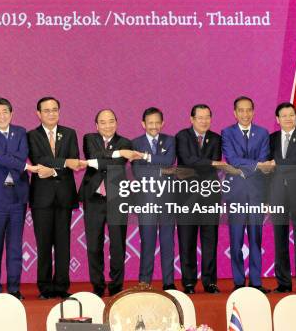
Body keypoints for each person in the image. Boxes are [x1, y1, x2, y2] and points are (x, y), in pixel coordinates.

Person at [0, 97, 39, 300]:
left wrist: (7, 157)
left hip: (18, 196)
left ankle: (14, 288)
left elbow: (20, 155)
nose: (2, 115)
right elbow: (0, 154)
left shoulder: (21, 132)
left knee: (15, 244)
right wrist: (20, 164)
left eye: (6, 111)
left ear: (11, 113)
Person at [79, 109, 141, 297]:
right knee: (94, 245)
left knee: (117, 245)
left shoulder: (125, 143)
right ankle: (97, 285)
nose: (108, 125)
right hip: (94, 199)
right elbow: (93, 155)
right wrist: (113, 155)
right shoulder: (89, 138)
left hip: (117, 198)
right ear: (96, 125)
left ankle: (116, 285)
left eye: (111, 121)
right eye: (103, 122)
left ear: (117, 122)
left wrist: (99, 160)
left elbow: (113, 164)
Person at [27, 97, 83, 299]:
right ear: (38, 113)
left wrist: (54, 171)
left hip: (64, 196)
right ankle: (45, 287)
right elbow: (38, 159)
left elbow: (74, 160)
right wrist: (63, 163)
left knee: (63, 243)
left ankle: (61, 286)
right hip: (42, 198)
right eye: (46, 110)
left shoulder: (69, 133)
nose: (51, 113)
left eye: (54, 110)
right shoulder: (32, 135)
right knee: (43, 244)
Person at [221, 96, 273, 293]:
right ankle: (238, 282)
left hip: (256, 193)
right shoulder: (227, 133)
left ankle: (257, 282)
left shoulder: (262, 133)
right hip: (236, 194)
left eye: (248, 110)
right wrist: (256, 166)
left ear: (253, 111)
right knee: (235, 240)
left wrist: (247, 167)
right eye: (240, 110)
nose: (245, 114)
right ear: (235, 113)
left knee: (255, 239)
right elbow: (232, 159)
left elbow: (263, 157)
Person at [175, 104, 226, 294]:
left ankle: (209, 281)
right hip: (186, 196)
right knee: (186, 240)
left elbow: (209, 166)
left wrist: (208, 163)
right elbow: (187, 160)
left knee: (209, 240)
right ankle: (188, 282)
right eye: (200, 117)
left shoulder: (216, 138)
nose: (204, 121)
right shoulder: (182, 136)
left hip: (209, 196)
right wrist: (210, 162)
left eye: (207, 117)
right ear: (191, 119)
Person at [268, 102, 296, 293]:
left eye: (291, 115)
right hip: (277, 194)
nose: (288, 118)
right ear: (277, 119)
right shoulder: (271, 139)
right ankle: (283, 283)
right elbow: (266, 168)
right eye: (284, 115)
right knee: (280, 239)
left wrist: (275, 162)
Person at [131, 107, 177, 290]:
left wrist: (147, 158)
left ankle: (169, 282)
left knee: (168, 241)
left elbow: (170, 162)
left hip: (167, 198)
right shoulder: (135, 143)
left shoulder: (170, 140)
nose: (154, 126)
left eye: (158, 122)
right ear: (143, 124)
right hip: (146, 200)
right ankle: (144, 281)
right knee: (147, 241)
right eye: (150, 123)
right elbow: (137, 171)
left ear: (163, 123)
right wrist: (160, 169)